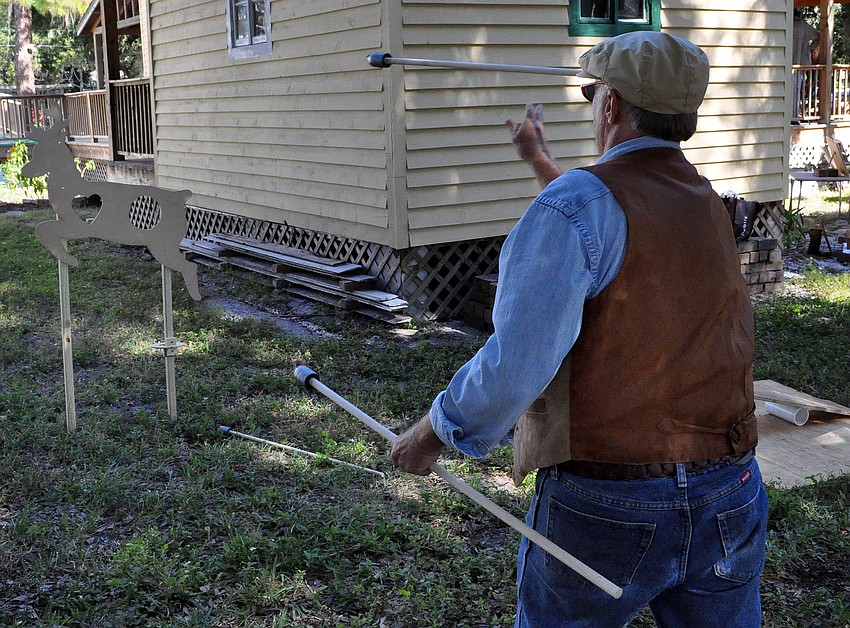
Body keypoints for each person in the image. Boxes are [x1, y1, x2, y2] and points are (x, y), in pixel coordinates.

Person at [391, 31, 768, 627]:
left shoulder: (580, 203)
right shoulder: (705, 200)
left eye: (593, 94)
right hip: (730, 487)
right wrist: (540, 162)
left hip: (609, 502)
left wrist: (433, 432)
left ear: (611, 105)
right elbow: (609, 225)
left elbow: (518, 362)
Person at [792, 9, 820, 122]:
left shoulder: (788, 26)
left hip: (789, 63)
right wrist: (810, 48)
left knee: (792, 90)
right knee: (797, 90)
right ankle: (794, 116)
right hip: (801, 64)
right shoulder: (804, 27)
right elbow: (819, 37)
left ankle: (793, 116)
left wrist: (809, 49)